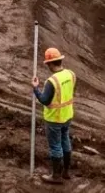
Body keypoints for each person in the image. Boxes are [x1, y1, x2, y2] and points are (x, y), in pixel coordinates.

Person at [32, 47, 76, 184]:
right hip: (67, 115)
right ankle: (66, 172)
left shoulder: (52, 81)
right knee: (65, 141)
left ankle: (55, 176)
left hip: (54, 119)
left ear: (50, 63)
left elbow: (44, 100)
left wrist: (35, 88)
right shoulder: (71, 74)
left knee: (56, 146)